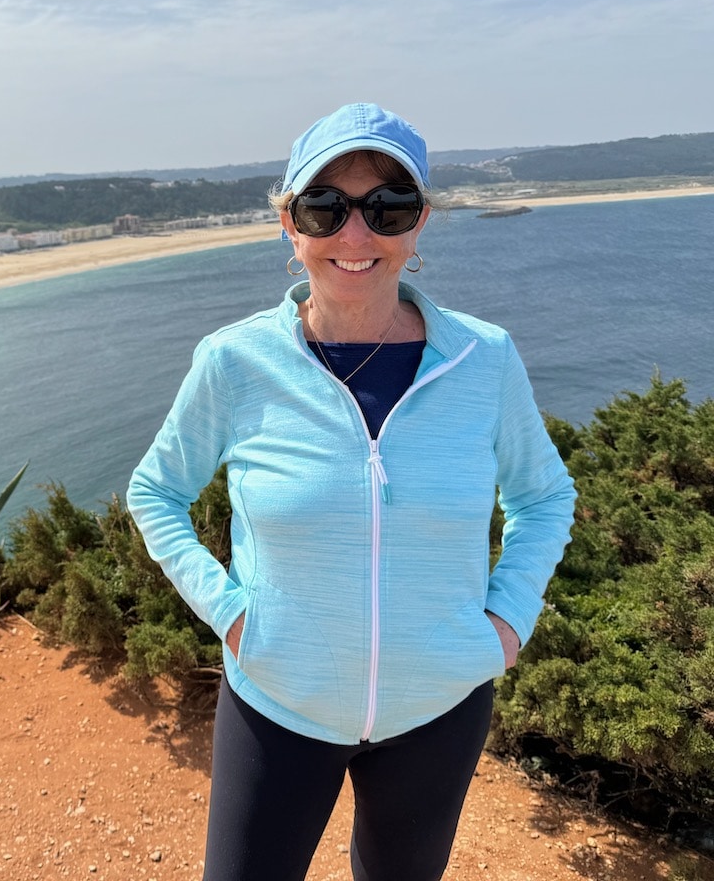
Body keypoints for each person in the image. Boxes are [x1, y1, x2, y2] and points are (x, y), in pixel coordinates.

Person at [126, 103, 576, 881]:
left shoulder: (484, 359)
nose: (356, 235)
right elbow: (155, 490)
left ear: (420, 222)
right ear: (289, 226)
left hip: (438, 707)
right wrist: (232, 615)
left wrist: (506, 622)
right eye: (325, 208)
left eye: (387, 207)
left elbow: (544, 497)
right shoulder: (234, 362)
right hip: (279, 703)